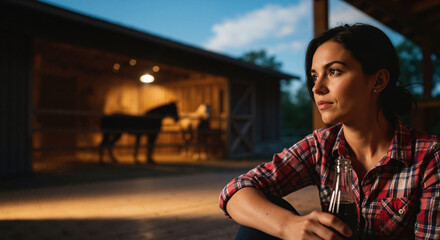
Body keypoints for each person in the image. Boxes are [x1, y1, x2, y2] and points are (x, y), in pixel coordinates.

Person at [219, 23, 440, 239]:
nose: (317, 88)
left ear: (378, 80)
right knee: (263, 219)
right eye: (315, 76)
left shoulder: (429, 156)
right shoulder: (321, 146)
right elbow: (236, 190)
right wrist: (287, 225)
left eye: (334, 71)